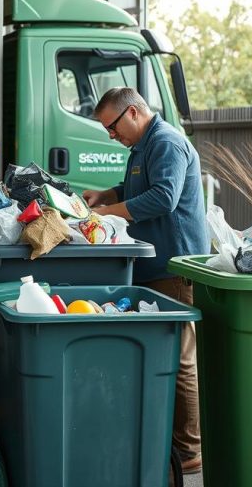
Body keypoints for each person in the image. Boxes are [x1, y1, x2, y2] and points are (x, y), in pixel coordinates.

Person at [82, 86, 209, 475]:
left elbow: (162, 198)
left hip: (175, 266)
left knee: (181, 359)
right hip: (152, 267)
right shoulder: (141, 147)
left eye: (113, 127)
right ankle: (169, 437)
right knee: (163, 356)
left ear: (134, 112)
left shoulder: (166, 142)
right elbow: (137, 189)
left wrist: (108, 216)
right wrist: (106, 194)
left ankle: (189, 451)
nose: (111, 136)